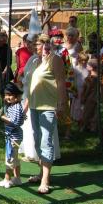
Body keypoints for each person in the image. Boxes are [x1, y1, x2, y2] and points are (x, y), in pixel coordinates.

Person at [28, 33, 68, 195]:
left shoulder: (55, 60)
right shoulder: (36, 61)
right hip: (34, 106)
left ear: (45, 44)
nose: (34, 47)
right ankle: (41, 173)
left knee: (46, 141)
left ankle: (45, 180)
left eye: (37, 44)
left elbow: (61, 82)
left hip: (48, 107)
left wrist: (62, 103)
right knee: (37, 141)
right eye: (33, 44)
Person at [0, 82, 25, 188]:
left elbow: (15, 122)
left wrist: (3, 118)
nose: (7, 97)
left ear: (16, 96)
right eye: (6, 95)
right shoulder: (13, 106)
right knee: (14, 158)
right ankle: (17, 179)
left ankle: (7, 179)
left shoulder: (16, 107)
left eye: (10, 95)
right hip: (12, 137)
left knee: (9, 159)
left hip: (13, 138)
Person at [80, 58, 100, 132]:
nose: (86, 66)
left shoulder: (90, 78)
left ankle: (84, 127)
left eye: (88, 65)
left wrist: (84, 97)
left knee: (86, 113)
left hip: (90, 97)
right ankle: (93, 128)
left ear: (91, 68)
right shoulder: (101, 77)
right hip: (97, 97)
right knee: (95, 113)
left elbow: (87, 89)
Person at [71, 51, 90, 126]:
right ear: (79, 60)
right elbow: (72, 80)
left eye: (86, 60)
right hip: (78, 90)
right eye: (83, 60)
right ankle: (76, 119)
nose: (84, 62)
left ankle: (82, 119)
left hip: (85, 90)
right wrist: (74, 90)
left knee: (83, 105)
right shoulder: (76, 69)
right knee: (77, 105)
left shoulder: (87, 69)